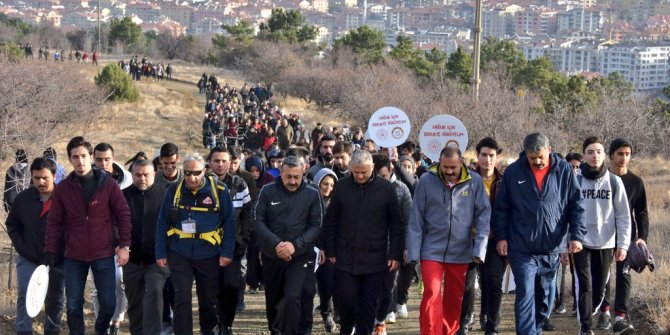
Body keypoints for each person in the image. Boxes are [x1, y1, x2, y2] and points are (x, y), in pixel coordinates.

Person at [493, 133, 586, 335]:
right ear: (525, 154)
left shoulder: (564, 171)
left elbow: (576, 206)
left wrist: (576, 235)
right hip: (521, 246)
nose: (536, 161)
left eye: (540, 157)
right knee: (525, 292)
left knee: (543, 296)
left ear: (549, 150)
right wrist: (501, 237)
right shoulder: (513, 173)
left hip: (551, 246)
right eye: (532, 157)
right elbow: (502, 208)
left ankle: (535, 328)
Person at [44, 136, 132, 335]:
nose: (80, 160)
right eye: (75, 157)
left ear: (90, 156)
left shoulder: (107, 184)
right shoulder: (64, 188)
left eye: (84, 155)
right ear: (70, 159)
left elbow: (123, 213)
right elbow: (54, 222)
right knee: (74, 306)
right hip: (74, 255)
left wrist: (125, 244)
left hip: (103, 253)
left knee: (109, 303)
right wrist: (50, 249)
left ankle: (100, 331)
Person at [407, 146, 491, 335]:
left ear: (461, 162)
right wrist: (413, 252)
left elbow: (484, 217)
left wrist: (479, 249)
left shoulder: (474, 181)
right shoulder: (427, 180)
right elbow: (416, 218)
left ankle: (448, 332)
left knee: (454, 298)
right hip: (431, 250)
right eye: (445, 167)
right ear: (439, 162)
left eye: (453, 167)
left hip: (461, 252)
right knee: (431, 294)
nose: (449, 171)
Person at [323, 150, 404, 335]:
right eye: (356, 172)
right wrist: (330, 250)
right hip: (345, 256)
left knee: (368, 304)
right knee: (348, 299)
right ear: (351, 168)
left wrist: (395, 254)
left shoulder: (386, 189)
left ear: (372, 168)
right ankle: (346, 328)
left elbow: (396, 224)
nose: (359, 176)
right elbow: (331, 221)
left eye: (364, 172)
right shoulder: (342, 188)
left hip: (375, 258)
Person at [155, 153, 236, 335]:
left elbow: (230, 223)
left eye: (197, 173)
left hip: (209, 253)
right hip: (179, 252)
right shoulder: (174, 190)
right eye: (188, 173)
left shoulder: (220, 191)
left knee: (208, 299)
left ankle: (210, 331)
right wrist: (160, 252)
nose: (192, 178)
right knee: (181, 298)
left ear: (205, 170)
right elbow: (162, 221)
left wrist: (227, 252)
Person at [254, 155, 323, 335]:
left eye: (296, 177)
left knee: (293, 296)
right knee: (274, 299)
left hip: (300, 255)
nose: (292, 181)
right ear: (281, 174)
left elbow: (316, 225)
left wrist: (295, 245)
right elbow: (258, 220)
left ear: (303, 173)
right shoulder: (267, 191)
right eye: (288, 177)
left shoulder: (312, 192)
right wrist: (276, 243)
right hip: (272, 254)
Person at [573, 136, 631, 335]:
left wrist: (622, 245)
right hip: (580, 243)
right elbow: (566, 214)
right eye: (590, 152)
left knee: (598, 291)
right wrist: (566, 243)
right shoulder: (576, 181)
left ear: (604, 154)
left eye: (598, 151)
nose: (594, 155)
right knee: (585, 286)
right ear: (584, 156)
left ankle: (591, 314)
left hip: (606, 243)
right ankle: (586, 328)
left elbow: (623, 216)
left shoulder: (614, 182)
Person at [7, 157, 65, 335]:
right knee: (25, 296)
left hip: (58, 259)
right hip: (29, 257)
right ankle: (23, 331)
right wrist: (23, 249)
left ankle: (52, 331)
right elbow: (12, 225)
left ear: (54, 176)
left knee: (55, 299)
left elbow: (75, 229)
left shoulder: (65, 200)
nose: (40, 182)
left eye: (44, 178)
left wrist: (62, 252)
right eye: (36, 177)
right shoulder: (23, 199)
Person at [601, 138, 648, 334]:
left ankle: (620, 316)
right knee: (604, 274)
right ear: (611, 155)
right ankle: (603, 312)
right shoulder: (602, 179)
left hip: (627, 236)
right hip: (602, 234)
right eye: (620, 154)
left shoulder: (636, 182)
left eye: (627, 154)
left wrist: (642, 237)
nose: (624, 158)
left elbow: (642, 212)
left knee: (624, 275)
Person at [122, 159, 170, 335]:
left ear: (154, 174)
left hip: (157, 259)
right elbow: (115, 224)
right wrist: (120, 246)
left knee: (154, 293)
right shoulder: (123, 196)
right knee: (134, 300)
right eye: (138, 175)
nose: (142, 178)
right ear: (132, 175)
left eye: (146, 175)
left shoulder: (165, 195)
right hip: (131, 259)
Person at [208, 147, 253, 335]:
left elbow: (248, 214)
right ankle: (215, 323)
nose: (220, 164)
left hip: (234, 245)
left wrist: (243, 239)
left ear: (230, 162)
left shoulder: (239, 184)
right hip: (208, 246)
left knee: (232, 286)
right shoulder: (203, 184)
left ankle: (227, 323)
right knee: (212, 287)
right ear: (209, 162)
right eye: (216, 160)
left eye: (223, 161)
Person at [92, 143, 131, 333]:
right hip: (94, 241)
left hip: (119, 241)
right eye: (98, 160)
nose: (103, 163)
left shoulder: (126, 180)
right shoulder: (85, 180)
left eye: (107, 159)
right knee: (98, 288)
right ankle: (103, 324)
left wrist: (123, 243)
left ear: (113, 159)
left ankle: (116, 321)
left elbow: (126, 214)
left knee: (119, 285)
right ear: (93, 159)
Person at [372, 154, 412, 334]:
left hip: (392, 247)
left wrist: (405, 246)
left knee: (388, 286)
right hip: (369, 246)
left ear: (390, 171)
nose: (379, 180)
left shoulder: (402, 189)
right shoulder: (366, 188)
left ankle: (381, 317)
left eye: (383, 176)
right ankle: (371, 321)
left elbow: (408, 221)